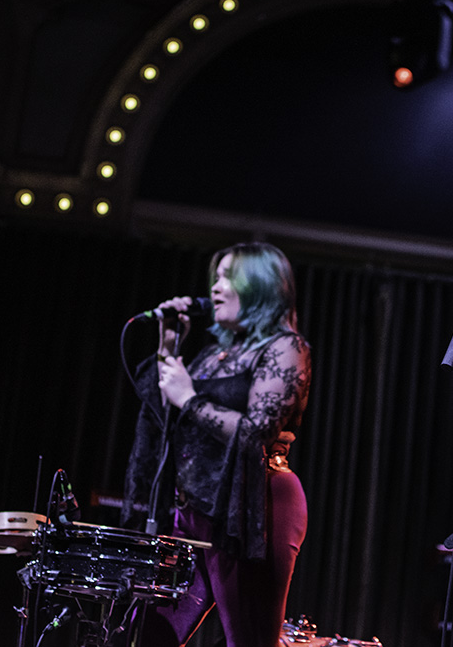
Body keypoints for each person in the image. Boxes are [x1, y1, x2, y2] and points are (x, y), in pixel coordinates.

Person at [122, 241, 312, 647]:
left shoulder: (285, 348)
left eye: (229, 277)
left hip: (256, 505)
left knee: (247, 639)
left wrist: (190, 398)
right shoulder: (216, 353)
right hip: (196, 510)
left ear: (260, 286)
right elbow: (165, 413)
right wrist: (169, 344)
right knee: (147, 635)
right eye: (216, 277)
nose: (216, 288)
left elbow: (255, 432)